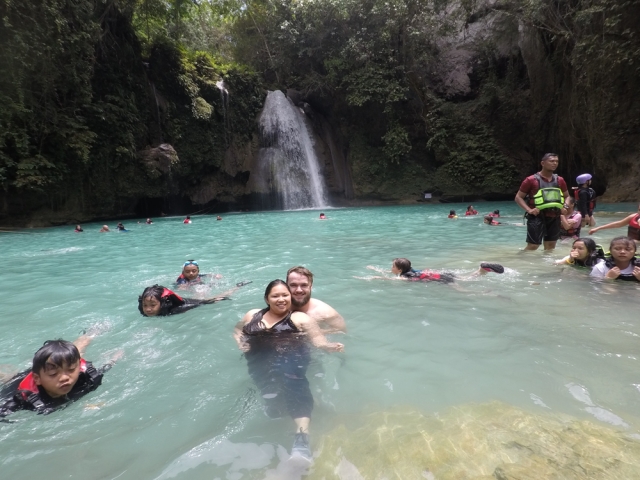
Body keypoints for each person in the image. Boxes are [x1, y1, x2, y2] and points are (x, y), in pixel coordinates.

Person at [233, 280, 344, 462]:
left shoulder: (300, 318)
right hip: (258, 360)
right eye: (275, 296)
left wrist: (328, 346)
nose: (281, 299)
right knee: (267, 389)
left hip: (293, 358)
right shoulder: (252, 315)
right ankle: (285, 408)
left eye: (285, 295)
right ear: (267, 298)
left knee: (295, 385)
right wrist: (240, 341)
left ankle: (302, 440)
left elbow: (317, 339)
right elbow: (237, 330)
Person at [0, 336, 119, 418]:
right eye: (54, 375)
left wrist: (114, 359)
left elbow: (105, 367)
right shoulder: (21, 399)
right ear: (38, 379)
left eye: (72, 370)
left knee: (68, 357)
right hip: (21, 382)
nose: (64, 378)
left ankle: (88, 336)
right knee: (9, 378)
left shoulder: (84, 375)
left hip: (48, 369)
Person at [515, 153, 570, 251]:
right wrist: (529, 210)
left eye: (556, 161)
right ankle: (521, 261)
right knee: (533, 246)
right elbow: (518, 197)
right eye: (551, 161)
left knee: (551, 246)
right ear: (543, 163)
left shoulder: (560, 180)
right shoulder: (531, 180)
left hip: (554, 216)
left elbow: (567, 196)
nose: (555, 163)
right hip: (537, 217)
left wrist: (565, 206)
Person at [286, 266, 346, 333]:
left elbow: (341, 332)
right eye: (293, 285)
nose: (299, 290)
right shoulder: (277, 308)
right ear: (286, 287)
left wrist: (313, 333)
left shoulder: (326, 313)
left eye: (304, 285)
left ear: (311, 287)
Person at [366, 258, 504, 284]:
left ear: (400, 269)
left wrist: (377, 278)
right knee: (463, 277)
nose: (391, 269)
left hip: (442, 279)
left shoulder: (404, 277)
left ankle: (482, 271)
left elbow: (391, 278)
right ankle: (481, 269)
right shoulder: (409, 270)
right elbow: (392, 273)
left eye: (392, 266)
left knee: (466, 285)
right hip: (441, 273)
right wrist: (376, 269)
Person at [138, 284, 239, 316]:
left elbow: (202, 303)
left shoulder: (175, 309)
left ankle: (235, 288)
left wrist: (221, 299)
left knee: (207, 299)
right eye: (145, 305)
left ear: (162, 303)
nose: (148, 309)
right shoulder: (144, 309)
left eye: (152, 305)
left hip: (187, 302)